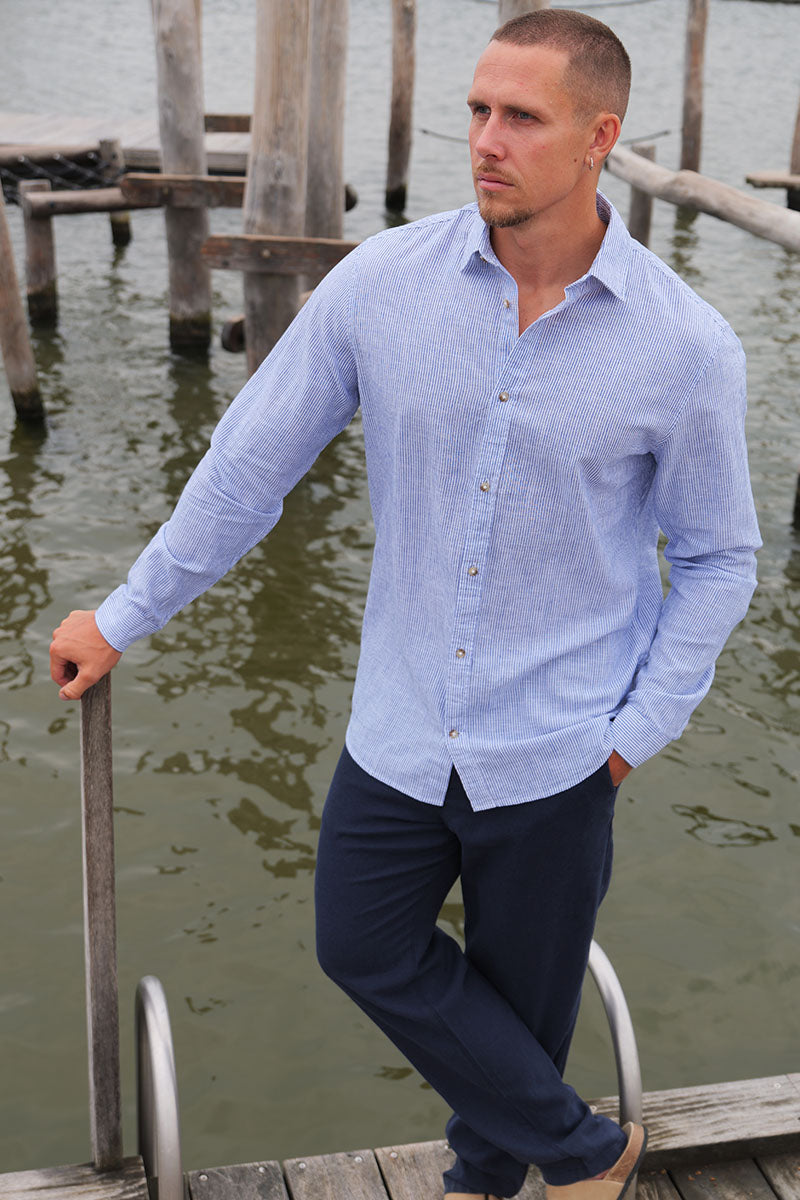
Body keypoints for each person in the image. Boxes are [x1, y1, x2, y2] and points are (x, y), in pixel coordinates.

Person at [50, 9, 760, 1200]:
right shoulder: (381, 283)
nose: (484, 139)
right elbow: (246, 469)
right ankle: (590, 1158)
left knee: (522, 1021)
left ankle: (485, 1182)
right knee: (360, 944)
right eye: (475, 110)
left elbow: (718, 557)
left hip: (560, 749)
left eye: (519, 117)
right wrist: (125, 615)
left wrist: (633, 736)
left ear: (598, 137)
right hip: (398, 725)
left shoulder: (684, 346)